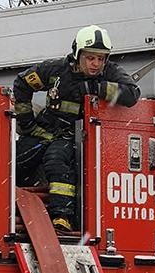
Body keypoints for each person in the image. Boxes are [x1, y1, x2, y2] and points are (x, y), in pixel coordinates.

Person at [13, 25, 141, 232]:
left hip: (74, 137)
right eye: (90, 58)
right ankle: (7, 207)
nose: (96, 64)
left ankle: (62, 217)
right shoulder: (55, 70)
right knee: (15, 159)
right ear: (77, 53)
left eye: (101, 59)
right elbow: (21, 83)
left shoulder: (110, 72)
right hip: (44, 131)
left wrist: (97, 89)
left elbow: (132, 94)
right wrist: (27, 122)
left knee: (57, 161)